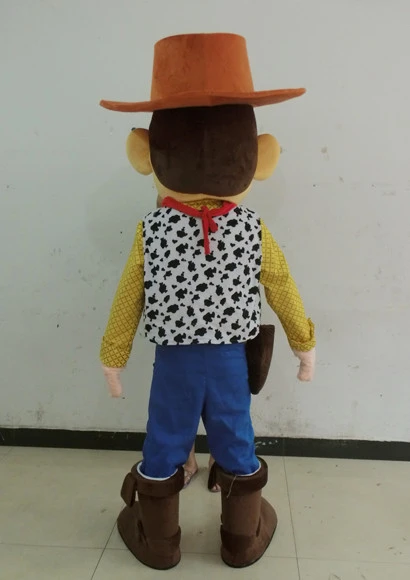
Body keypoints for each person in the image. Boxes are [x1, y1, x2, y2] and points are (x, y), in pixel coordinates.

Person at [100, 33, 316, 570]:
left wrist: (113, 355)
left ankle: (160, 543)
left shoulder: (150, 229)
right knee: (235, 435)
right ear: (259, 157)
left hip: (173, 361)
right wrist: (304, 343)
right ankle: (241, 540)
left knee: (165, 437)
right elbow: (282, 287)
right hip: (229, 363)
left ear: (145, 153)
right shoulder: (252, 228)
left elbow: (128, 295)